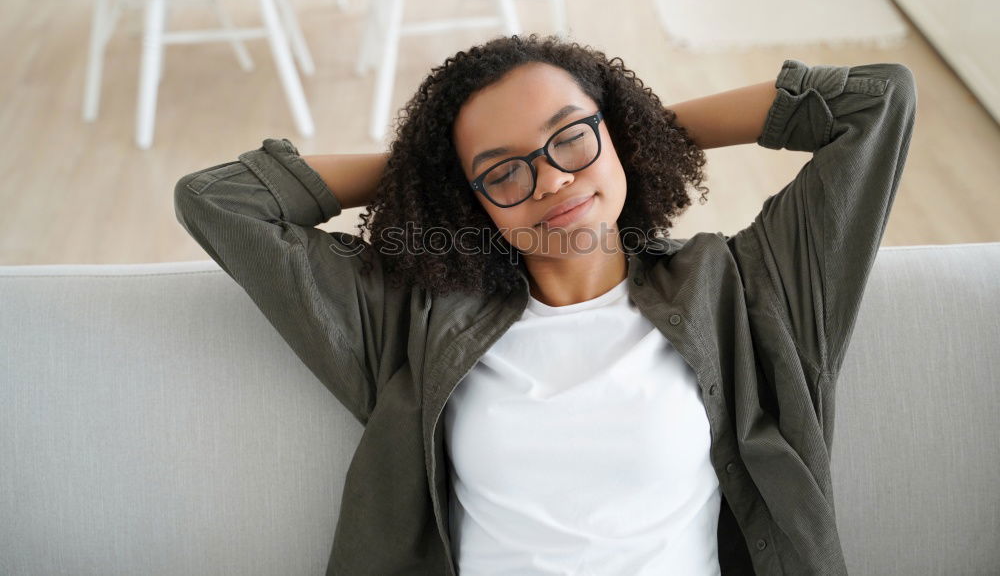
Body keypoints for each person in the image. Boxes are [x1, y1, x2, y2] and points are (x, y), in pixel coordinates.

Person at [174, 33, 917, 575]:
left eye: (570, 140)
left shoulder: (746, 289)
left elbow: (877, 101)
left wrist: (642, 131)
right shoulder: (415, 321)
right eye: (502, 174)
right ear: (473, 201)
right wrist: (421, 177)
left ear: (615, 130)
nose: (553, 182)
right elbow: (218, 202)